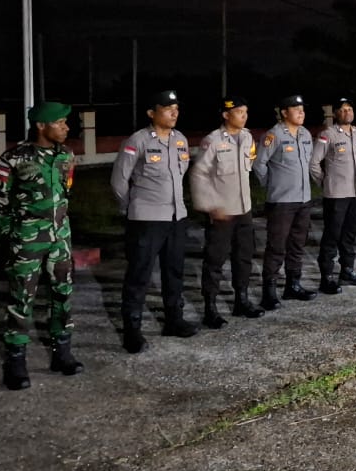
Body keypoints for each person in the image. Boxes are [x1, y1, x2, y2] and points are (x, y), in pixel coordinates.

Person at [0, 100, 83, 391]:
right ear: (41, 125)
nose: (66, 127)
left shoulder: (66, 155)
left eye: (66, 122)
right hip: (27, 241)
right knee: (21, 301)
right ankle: (15, 363)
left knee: (62, 295)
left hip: (60, 240)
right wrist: (14, 235)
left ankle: (62, 353)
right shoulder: (14, 158)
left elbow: (66, 192)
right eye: (60, 122)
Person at [110, 89, 198, 353]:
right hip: (146, 219)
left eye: (177, 109)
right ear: (152, 113)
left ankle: (174, 320)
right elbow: (118, 182)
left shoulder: (180, 140)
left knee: (174, 272)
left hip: (176, 217)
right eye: (168, 108)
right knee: (139, 275)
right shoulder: (137, 140)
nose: (174, 113)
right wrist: (131, 208)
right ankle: (132, 330)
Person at [189, 95, 263, 328]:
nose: (244, 116)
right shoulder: (212, 141)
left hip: (243, 209)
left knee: (244, 256)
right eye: (240, 112)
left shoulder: (247, 137)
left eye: (246, 112)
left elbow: (249, 164)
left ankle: (241, 300)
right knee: (215, 260)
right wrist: (211, 205)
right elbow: (198, 174)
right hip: (222, 212)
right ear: (226, 115)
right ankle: (210, 308)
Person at [253, 95, 318, 306]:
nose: (301, 113)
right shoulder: (273, 136)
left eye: (303, 109)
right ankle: (269, 292)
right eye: (296, 109)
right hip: (282, 202)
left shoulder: (306, 134)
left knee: (297, 244)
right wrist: (272, 186)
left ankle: (293, 285)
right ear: (284, 112)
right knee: (276, 246)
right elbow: (259, 165)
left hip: (303, 199)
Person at [310, 97, 356, 292]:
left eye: (350, 109)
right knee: (332, 236)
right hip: (336, 196)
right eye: (343, 110)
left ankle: (347, 270)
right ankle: (327, 276)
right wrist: (326, 183)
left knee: (350, 235)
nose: (348, 113)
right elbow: (313, 164)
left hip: (355, 194)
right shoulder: (327, 135)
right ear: (336, 113)